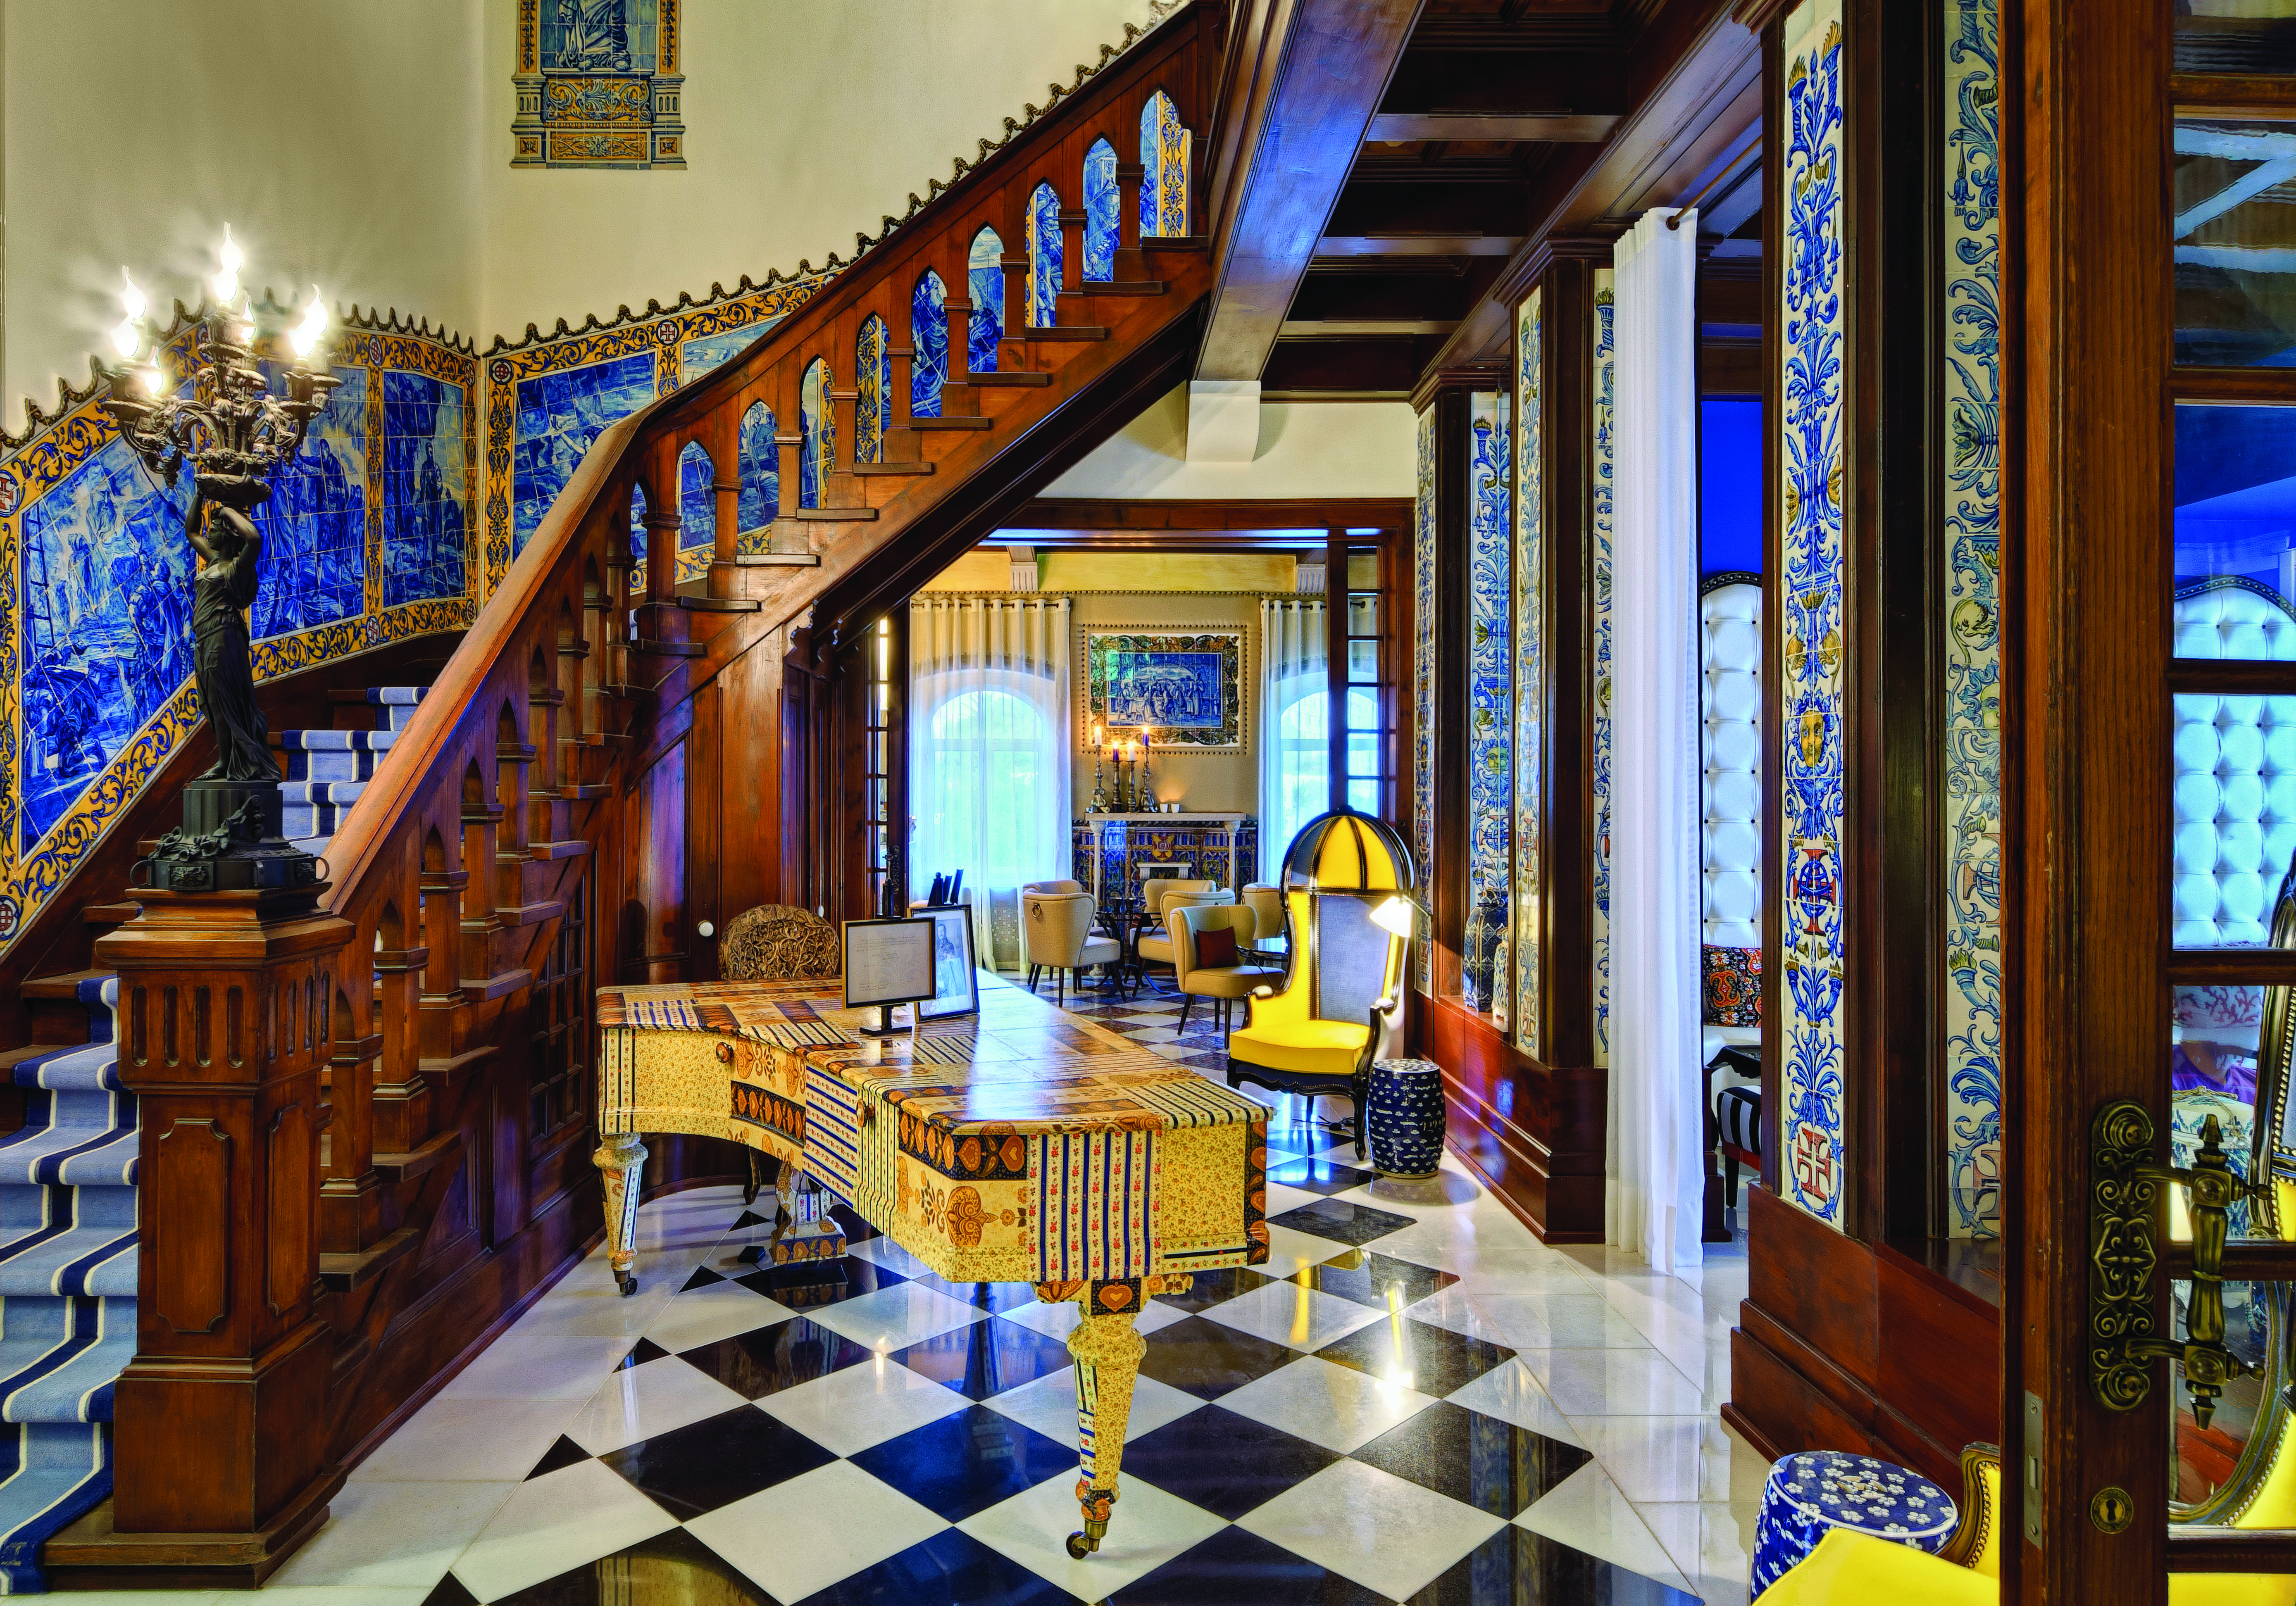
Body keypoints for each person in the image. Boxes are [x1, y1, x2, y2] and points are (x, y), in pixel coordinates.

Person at [186, 478, 274, 780]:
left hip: (224, 637)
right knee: (212, 702)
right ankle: (225, 760)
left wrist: (226, 510)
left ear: (226, 535)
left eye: (216, 527)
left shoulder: (236, 568)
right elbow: (191, 531)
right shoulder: (212, 561)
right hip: (206, 638)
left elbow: (255, 538)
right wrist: (200, 494)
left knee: (222, 700)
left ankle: (227, 763)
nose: (209, 531)